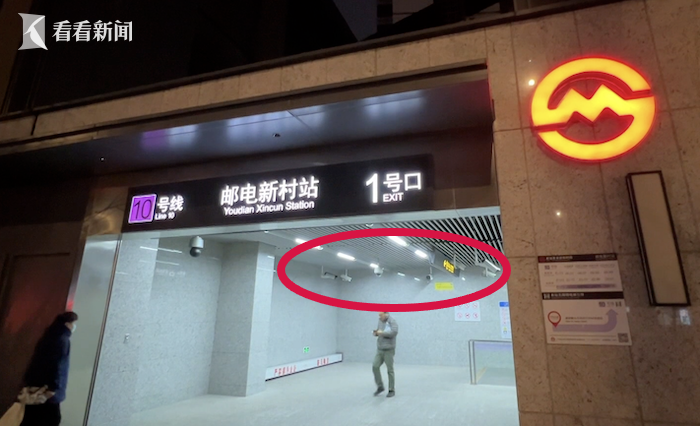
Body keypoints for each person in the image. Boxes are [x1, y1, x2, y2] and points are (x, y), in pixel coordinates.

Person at [20, 311, 78, 426]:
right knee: (52, 419)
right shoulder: (62, 340)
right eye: (73, 323)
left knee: (31, 418)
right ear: (67, 324)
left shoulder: (49, 336)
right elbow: (57, 364)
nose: (74, 326)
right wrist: (53, 387)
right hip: (47, 390)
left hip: (36, 385)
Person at [372, 311, 398, 398]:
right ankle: (380, 386)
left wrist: (381, 333)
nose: (380, 317)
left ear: (386, 314)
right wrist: (376, 333)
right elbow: (380, 331)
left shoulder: (392, 321)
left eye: (381, 315)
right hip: (380, 348)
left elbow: (394, 332)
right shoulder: (380, 321)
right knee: (375, 366)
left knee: (390, 370)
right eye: (379, 315)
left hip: (389, 349)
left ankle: (391, 389)